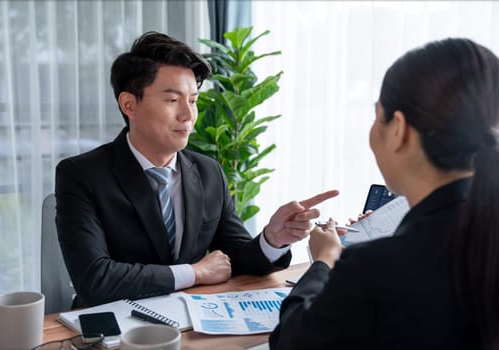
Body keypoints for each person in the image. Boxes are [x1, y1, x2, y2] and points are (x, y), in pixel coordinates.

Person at [55, 31, 337, 308]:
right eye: (172, 100)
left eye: (192, 100)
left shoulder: (207, 172)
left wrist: (273, 239)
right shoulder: (81, 175)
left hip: (191, 321)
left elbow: (235, 258)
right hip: (112, 326)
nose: (188, 115)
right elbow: (95, 279)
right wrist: (194, 272)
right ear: (129, 104)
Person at [270, 38, 499, 350]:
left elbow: (291, 342)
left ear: (399, 129)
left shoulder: (372, 268)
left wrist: (325, 260)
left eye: (377, 115)